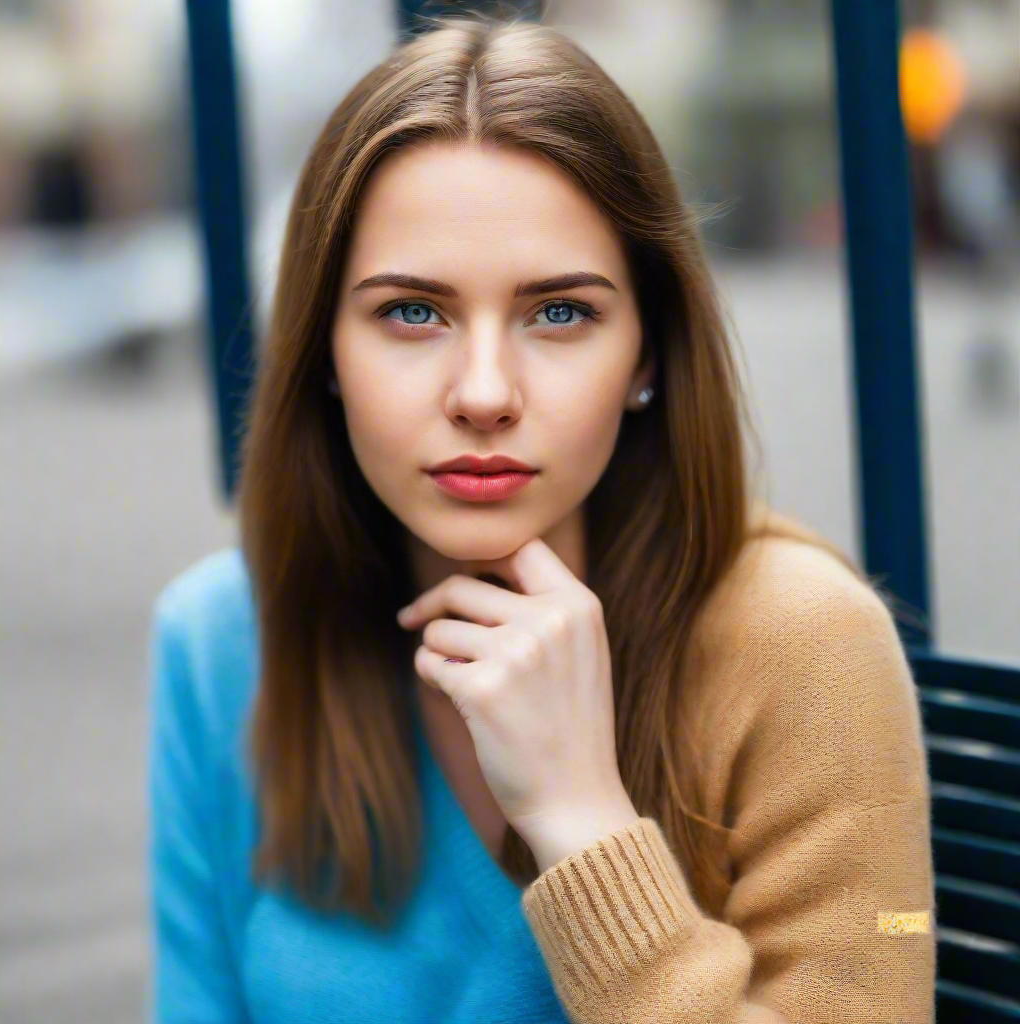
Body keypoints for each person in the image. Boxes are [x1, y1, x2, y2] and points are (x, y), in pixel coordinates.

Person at [147, 15, 936, 1023]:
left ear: (647, 354)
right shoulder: (220, 643)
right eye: (412, 313)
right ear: (325, 356)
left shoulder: (804, 644)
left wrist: (583, 821)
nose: (484, 392)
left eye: (559, 312)